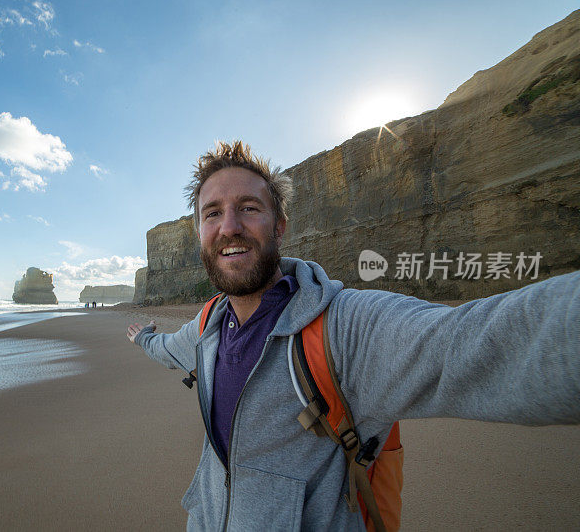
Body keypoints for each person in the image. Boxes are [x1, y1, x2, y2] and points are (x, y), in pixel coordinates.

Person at [126, 140, 580, 531]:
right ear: (201, 234)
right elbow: (169, 349)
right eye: (213, 213)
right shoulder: (207, 327)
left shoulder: (343, 329)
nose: (229, 226)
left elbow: (473, 339)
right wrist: (143, 337)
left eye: (249, 208)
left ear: (279, 225)